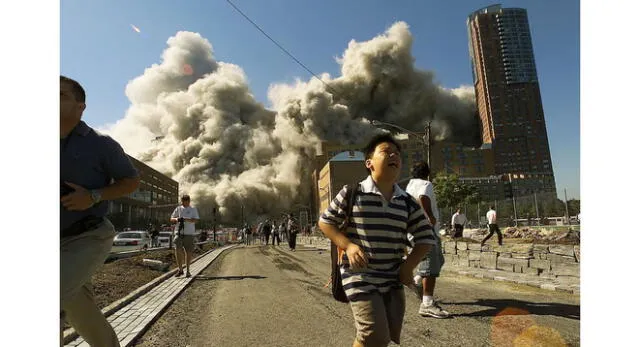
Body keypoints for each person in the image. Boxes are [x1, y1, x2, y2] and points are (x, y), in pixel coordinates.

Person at [319, 134, 435, 347]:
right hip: (359, 276)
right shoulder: (352, 192)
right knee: (375, 334)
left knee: (380, 338)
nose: (394, 155)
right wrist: (349, 245)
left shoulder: (407, 202)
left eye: (397, 154)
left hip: (392, 279)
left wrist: (409, 266)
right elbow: (325, 222)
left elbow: (426, 237)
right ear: (369, 163)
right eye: (386, 151)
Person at [60, 75, 140, 347]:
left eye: (61, 96)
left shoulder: (101, 144)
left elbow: (131, 182)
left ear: (81, 106)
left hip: (87, 236)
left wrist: (93, 196)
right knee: (79, 311)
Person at [405, 162, 451, 319]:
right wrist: (430, 216)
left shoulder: (410, 184)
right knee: (431, 265)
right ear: (427, 173)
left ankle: (417, 281)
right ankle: (427, 304)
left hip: (416, 228)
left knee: (439, 260)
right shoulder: (426, 184)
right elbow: (423, 196)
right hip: (426, 229)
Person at [170, 195, 200, 277]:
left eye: (186, 201)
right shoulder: (178, 208)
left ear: (189, 201)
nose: (184, 202)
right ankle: (180, 270)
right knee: (177, 250)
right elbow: (171, 218)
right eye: (183, 201)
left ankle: (188, 271)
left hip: (189, 234)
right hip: (179, 233)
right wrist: (177, 219)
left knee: (188, 252)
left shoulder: (193, 209)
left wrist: (186, 219)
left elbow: (196, 220)